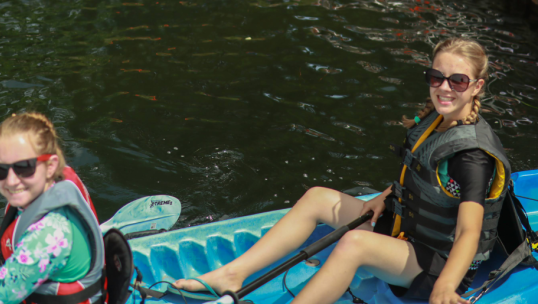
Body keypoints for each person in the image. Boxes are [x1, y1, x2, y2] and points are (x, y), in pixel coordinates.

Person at [173, 37, 510, 304]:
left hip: (437, 263)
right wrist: (385, 196)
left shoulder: (471, 156)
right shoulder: (436, 121)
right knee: (318, 198)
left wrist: (446, 288)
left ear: (477, 87)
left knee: (354, 244)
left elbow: (468, 231)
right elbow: (427, 180)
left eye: (458, 80)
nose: (445, 87)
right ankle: (232, 274)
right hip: (408, 230)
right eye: (437, 77)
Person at [0, 112, 104, 304]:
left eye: (24, 167)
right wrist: (2, 242)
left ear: (50, 165)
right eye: (0, 170)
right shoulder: (55, 182)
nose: (12, 181)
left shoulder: (49, 234)